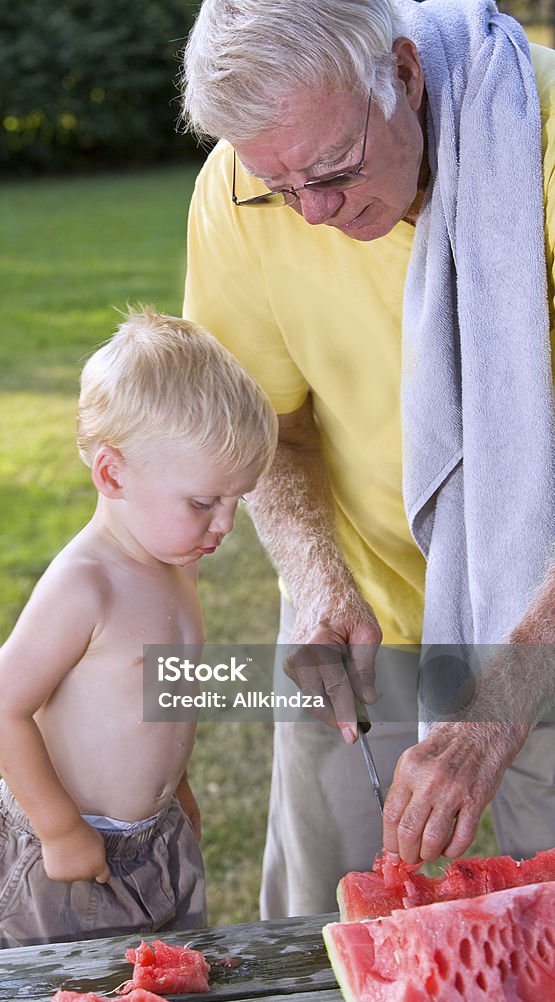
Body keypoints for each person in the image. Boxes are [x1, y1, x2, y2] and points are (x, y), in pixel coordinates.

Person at [180, 0, 555, 918]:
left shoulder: (539, 146)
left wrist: (497, 699)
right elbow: (269, 428)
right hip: (361, 615)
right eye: (278, 186)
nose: (310, 213)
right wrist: (317, 582)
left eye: (334, 171)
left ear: (404, 74)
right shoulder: (238, 189)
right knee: (317, 928)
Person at [0, 308, 277, 951]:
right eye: (205, 502)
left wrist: (175, 791)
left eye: (237, 500)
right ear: (113, 474)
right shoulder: (86, 584)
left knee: (151, 990)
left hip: (158, 841)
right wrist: (58, 827)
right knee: (37, 999)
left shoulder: (178, 566)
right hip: (64, 856)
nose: (226, 524)